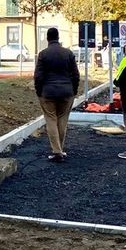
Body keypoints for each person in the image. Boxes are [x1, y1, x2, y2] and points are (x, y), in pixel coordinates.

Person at [34, 27, 80, 162]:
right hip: (67, 92)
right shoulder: (69, 53)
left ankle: (57, 151)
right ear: (58, 37)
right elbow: (76, 75)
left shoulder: (43, 54)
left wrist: (39, 91)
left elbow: (38, 76)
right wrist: (74, 90)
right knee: (62, 120)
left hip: (47, 93)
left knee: (51, 119)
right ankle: (59, 149)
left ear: (47, 38)